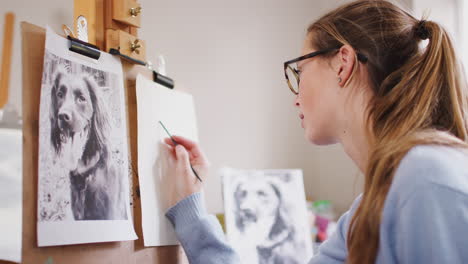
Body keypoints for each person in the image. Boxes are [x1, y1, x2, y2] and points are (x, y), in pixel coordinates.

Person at [158, 0, 468, 263]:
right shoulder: (369, 208)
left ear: (342, 64)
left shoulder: (426, 179)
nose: (295, 95)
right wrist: (191, 210)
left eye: (299, 70)